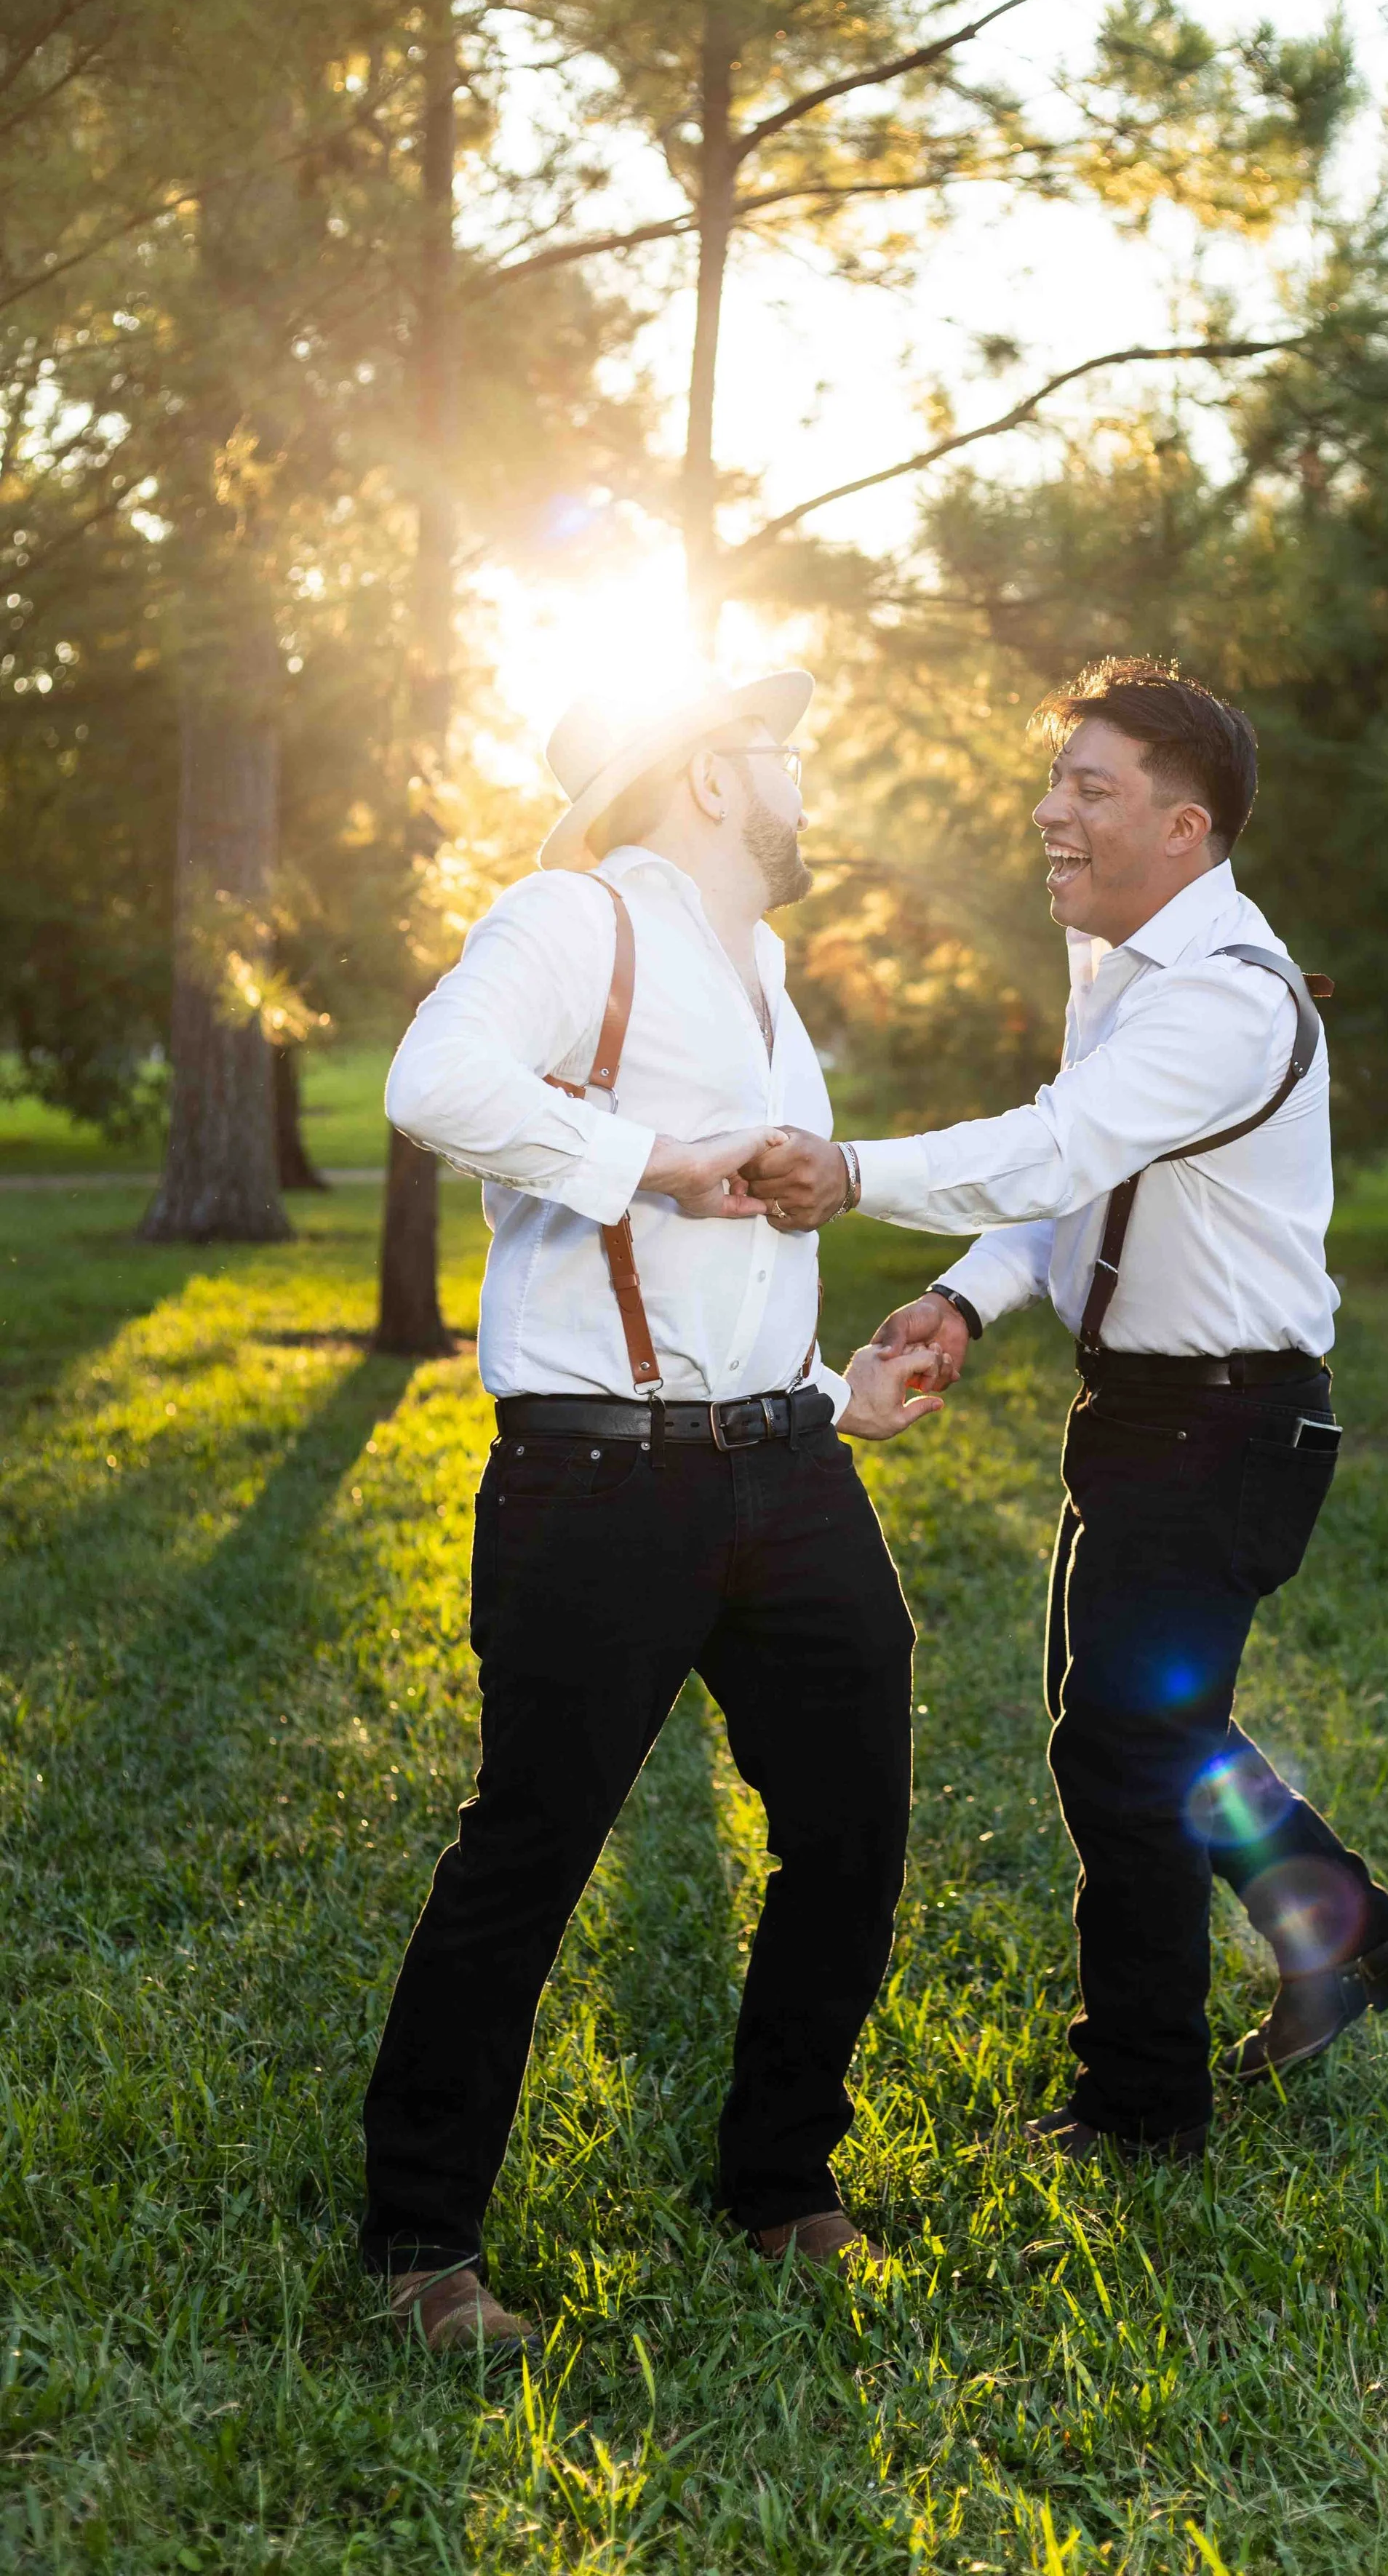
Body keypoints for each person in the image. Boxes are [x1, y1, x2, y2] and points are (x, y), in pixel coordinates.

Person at [744, 658, 1388, 2162]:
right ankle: (1351, 1935)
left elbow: (1056, 1149)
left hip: (1227, 1422)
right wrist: (963, 1299)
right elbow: (1079, 1186)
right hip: (1148, 1417)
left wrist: (848, 1168)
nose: (1047, 810)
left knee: (1117, 1748)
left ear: (1182, 828)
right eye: (1054, 779)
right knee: (1148, 1723)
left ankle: (1141, 2110)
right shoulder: (1129, 975)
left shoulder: (1227, 1003)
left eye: (1088, 787)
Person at [362, 668, 944, 2354]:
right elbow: (430, 1080)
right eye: (784, 754)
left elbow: (740, 1260)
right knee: (529, 1850)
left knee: (852, 1828)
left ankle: (780, 2184)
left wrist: (834, 1393)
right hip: (596, 1480)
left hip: (791, 1469)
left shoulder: (764, 976)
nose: (805, 778)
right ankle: (419, 2246)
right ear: (704, 775)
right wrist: (650, 1162)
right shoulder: (567, 921)